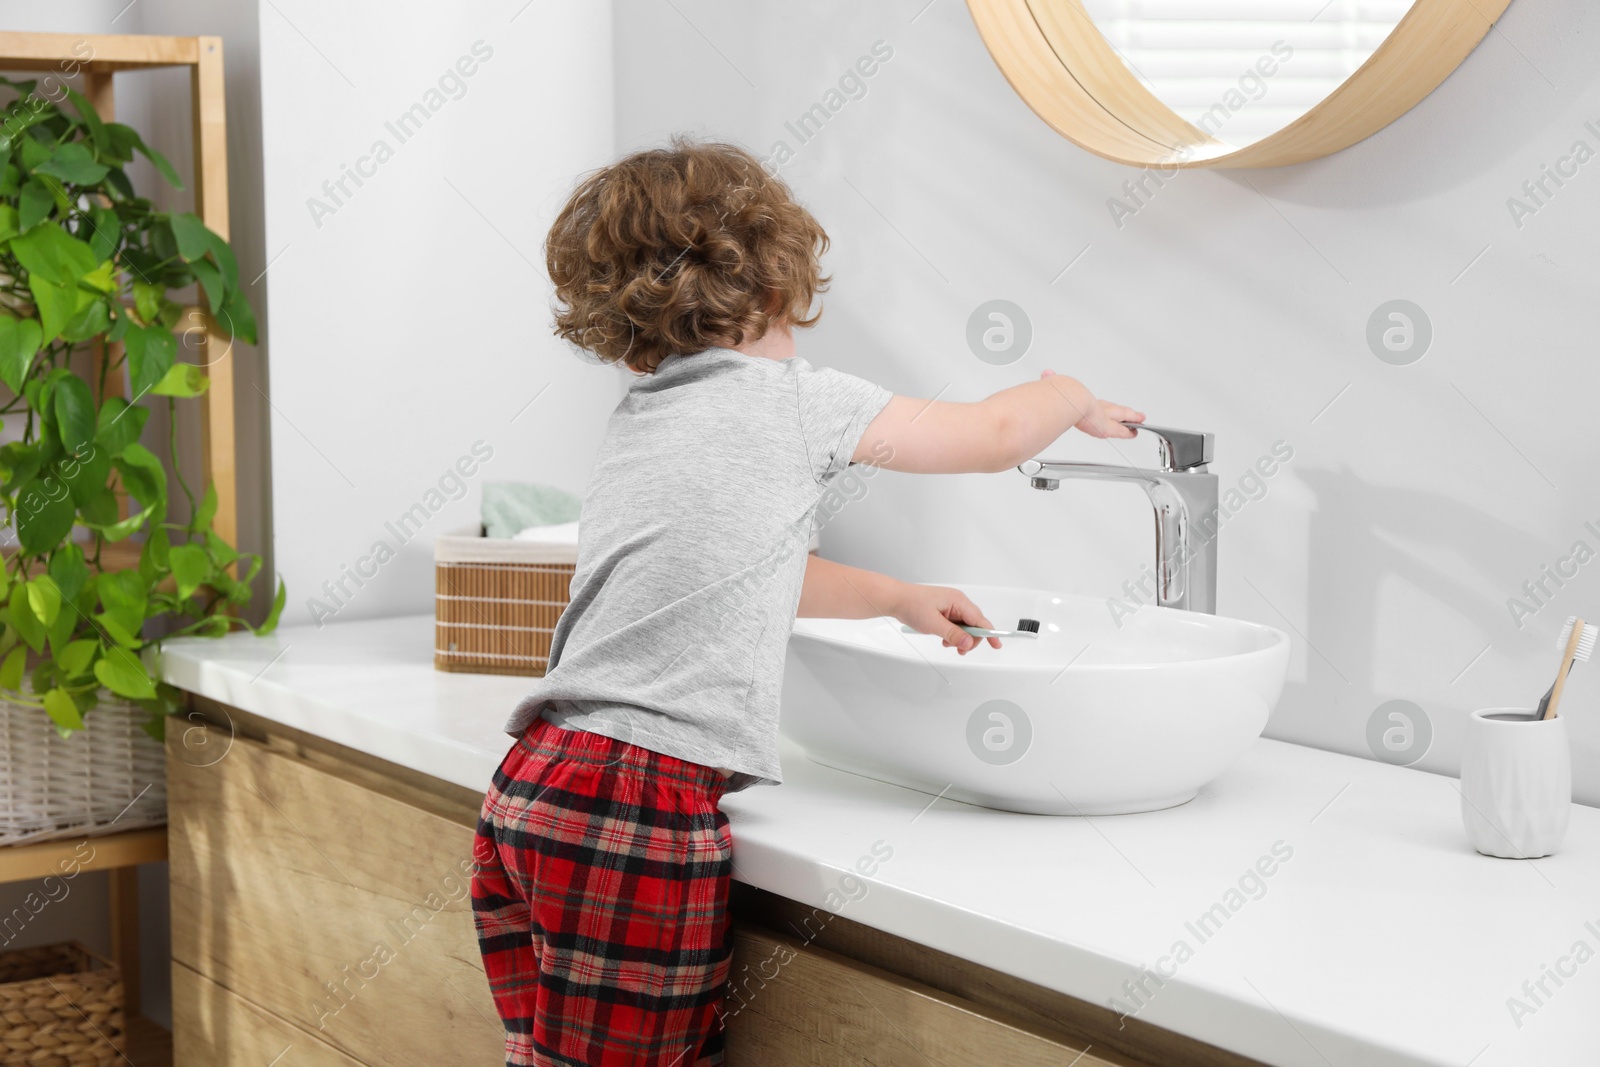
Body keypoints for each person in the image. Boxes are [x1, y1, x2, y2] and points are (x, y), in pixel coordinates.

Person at [470, 137, 1143, 1067]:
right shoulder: (793, 399)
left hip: (535, 786)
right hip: (635, 805)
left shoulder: (646, 414)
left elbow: (738, 570)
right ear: (779, 283)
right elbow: (989, 436)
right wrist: (1063, 394)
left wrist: (895, 599)